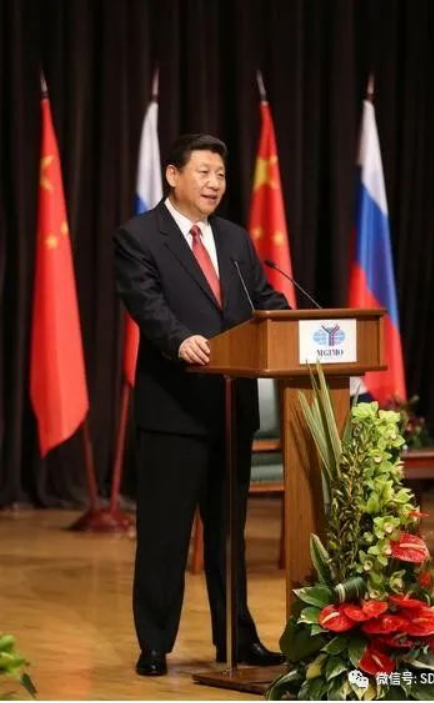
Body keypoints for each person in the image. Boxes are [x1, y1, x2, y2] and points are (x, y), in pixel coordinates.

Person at [114, 133, 289, 676]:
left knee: (228, 536)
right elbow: (147, 303)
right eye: (204, 172)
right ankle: (154, 643)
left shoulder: (235, 239)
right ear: (174, 175)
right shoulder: (140, 236)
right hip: (174, 410)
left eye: (221, 175)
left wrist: (295, 322)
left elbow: (263, 300)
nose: (215, 183)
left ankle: (235, 638)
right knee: (164, 535)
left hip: (232, 409)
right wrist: (179, 339)